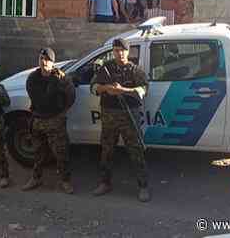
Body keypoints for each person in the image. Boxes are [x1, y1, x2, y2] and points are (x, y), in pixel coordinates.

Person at [90, 38, 151, 202]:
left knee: (135, 150)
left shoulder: (135, 70)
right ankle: (105, 182)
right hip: (109, 115)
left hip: (129, 115)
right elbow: (93, 87)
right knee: (106, 150)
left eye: (122, 50)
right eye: (116, 50)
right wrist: (106, 89)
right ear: (113, 51)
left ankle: (143, 186)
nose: (120, 53)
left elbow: (143, 90)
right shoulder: (106, 69)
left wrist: (122, 90)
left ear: (128, 51)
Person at [22, 48, 76, 194]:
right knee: (38, 152)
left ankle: (65, 181)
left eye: (47, 59)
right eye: (41, 59)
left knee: (61, 153)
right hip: (39, 119)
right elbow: (35, 97)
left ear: (53, 62)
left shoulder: (61, 78)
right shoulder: (33, 78)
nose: (44, 62)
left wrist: (60, 112)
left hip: (55, 120)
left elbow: (71, 96)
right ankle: (36, 177)